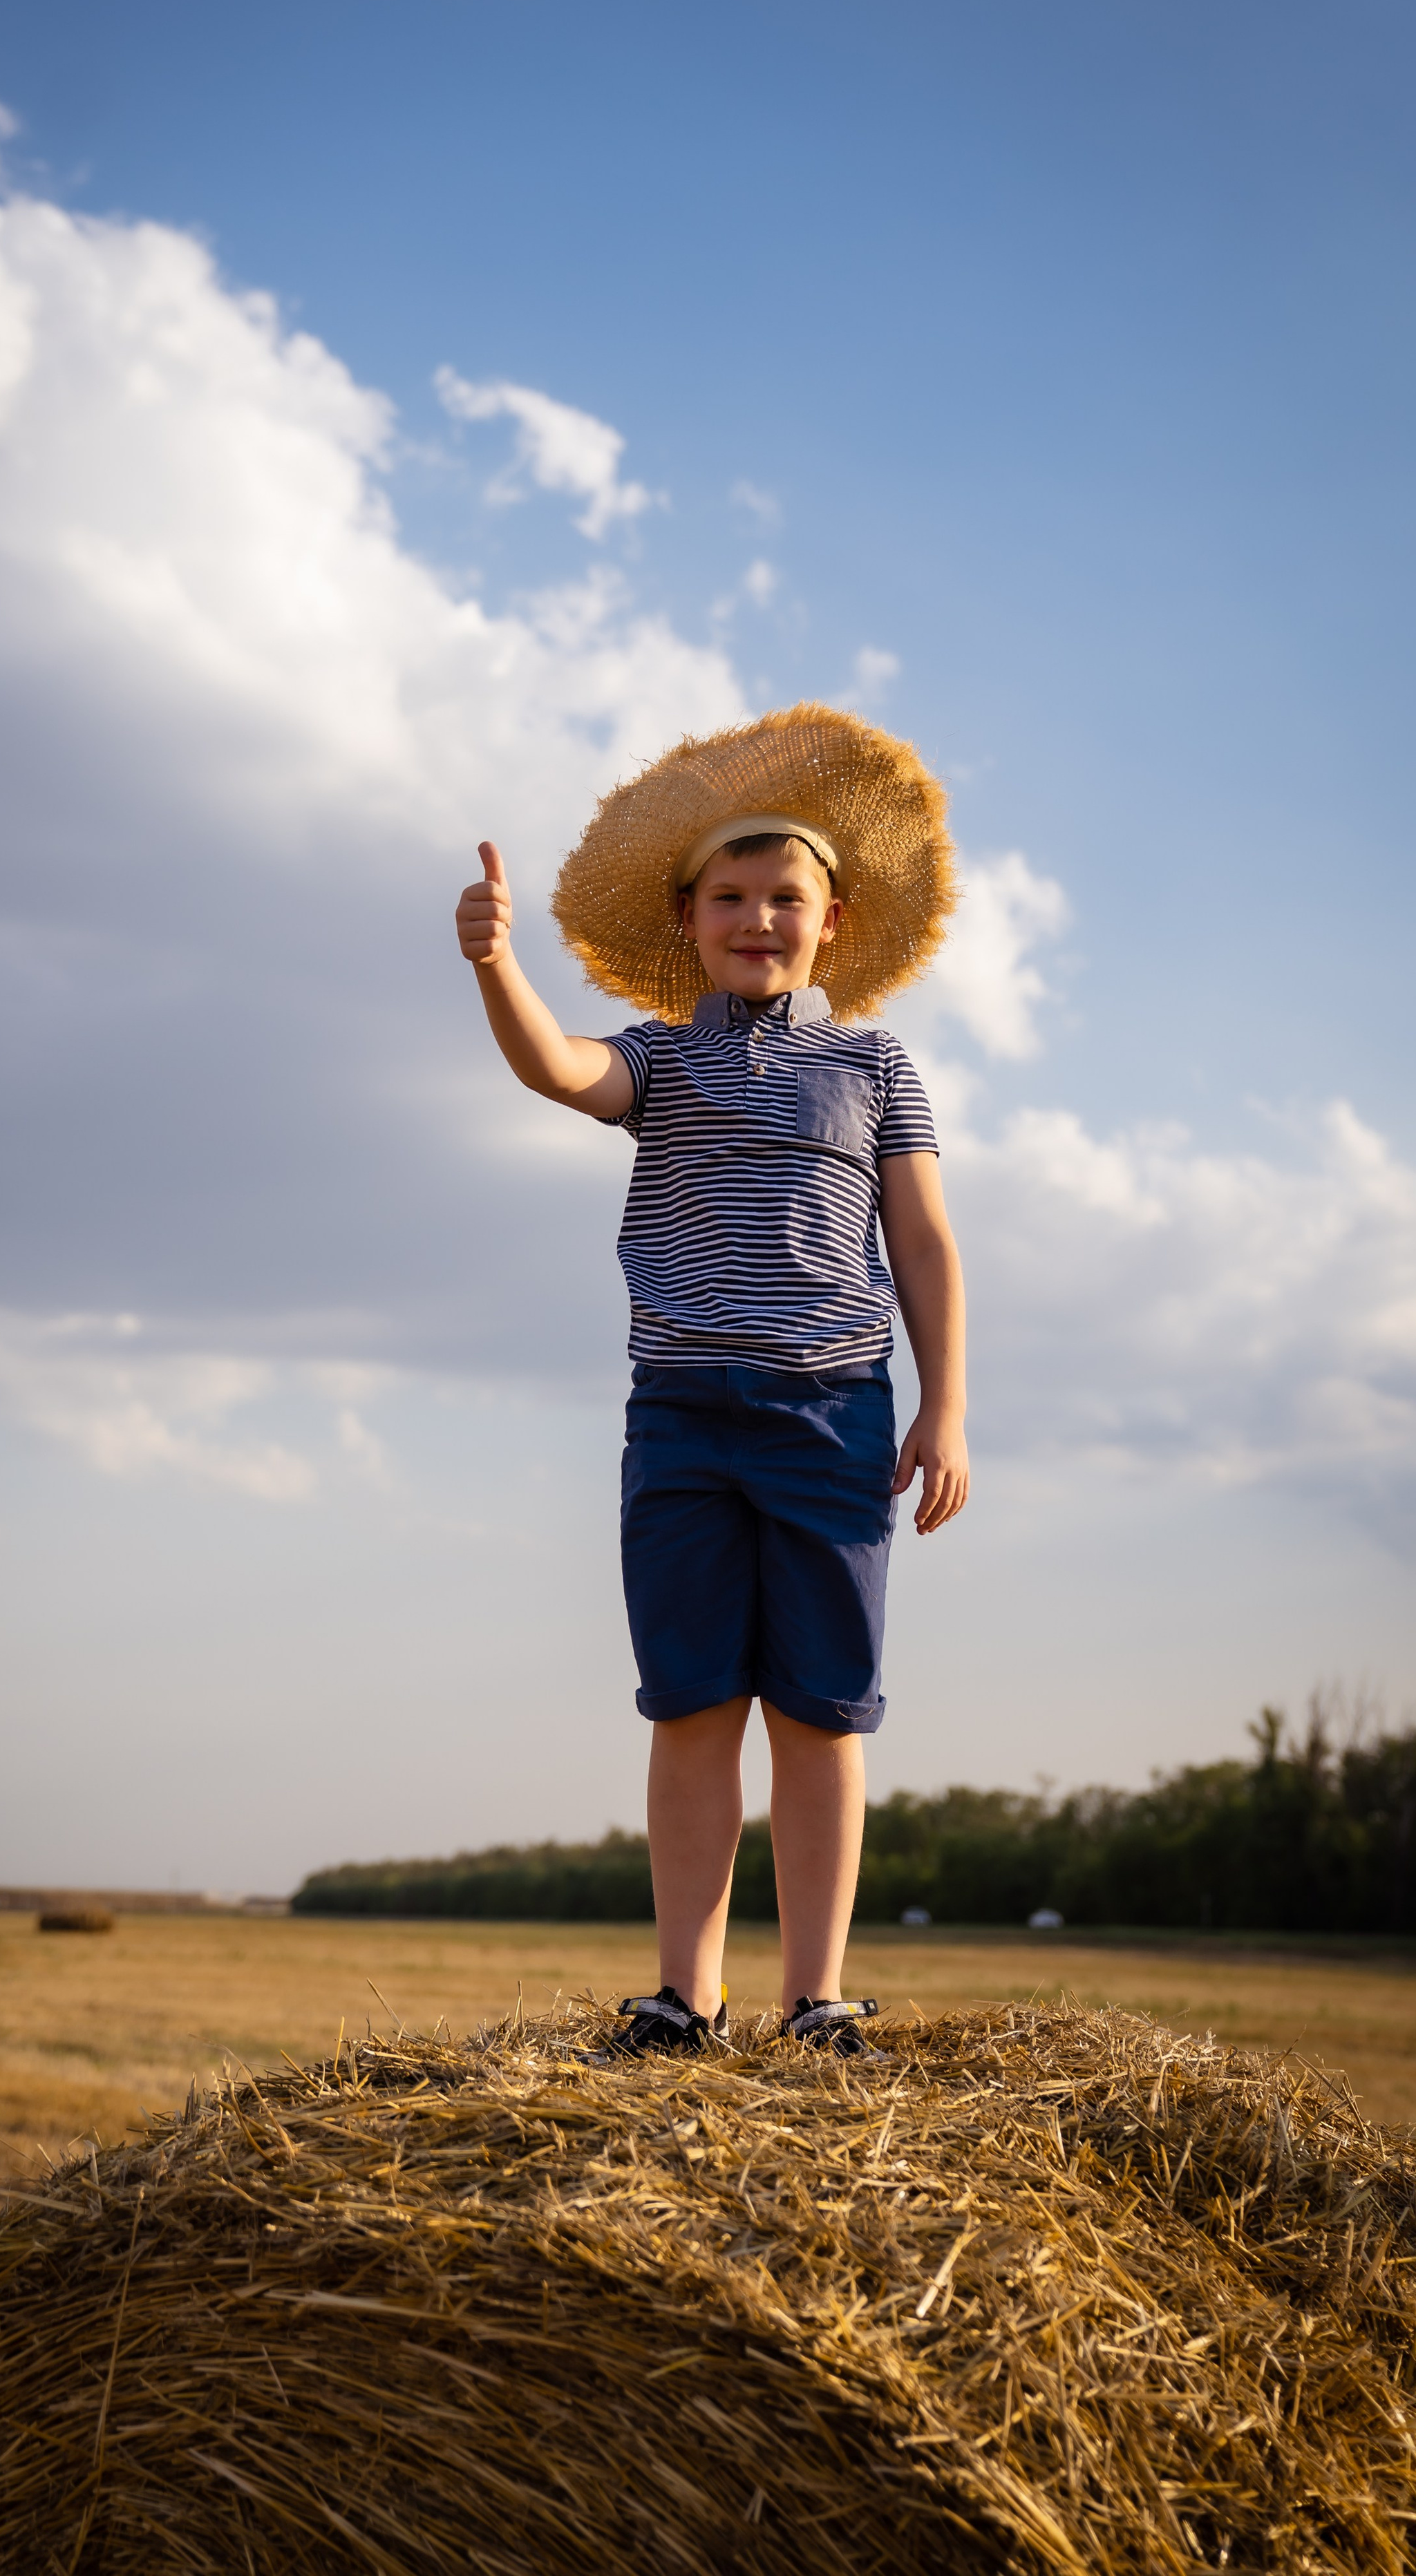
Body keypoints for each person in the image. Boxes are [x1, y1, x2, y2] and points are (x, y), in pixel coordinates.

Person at [455, 704, 970, 2059]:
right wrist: (497, 969)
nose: (756, 919)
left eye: (782, 898)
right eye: (728, 898)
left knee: (817, 1713)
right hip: (680, 1415)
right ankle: (685, 1998)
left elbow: (919, 1240)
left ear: (832, 921)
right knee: (690, 1707)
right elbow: (561, 1073)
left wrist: (945, 1406)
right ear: (685, 921)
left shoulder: (873, 1063)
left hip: (831, 1414)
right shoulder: (659, 1055)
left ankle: (816, 2000)